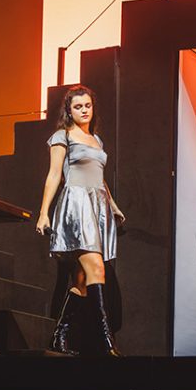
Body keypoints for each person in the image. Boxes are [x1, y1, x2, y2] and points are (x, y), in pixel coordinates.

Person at [35, 84, 125, 357]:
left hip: (98, 206)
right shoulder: (63, 136)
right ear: (69, 110)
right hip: (76, 205)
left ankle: (58, 337)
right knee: (97, 268)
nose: (84, 110)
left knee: (82, 280)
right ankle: (106, 341)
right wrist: (43, 212)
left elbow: (100, 179)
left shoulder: (97, 140)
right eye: (78, 107)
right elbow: (54, 175)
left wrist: (113, 207)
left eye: (87, 105)